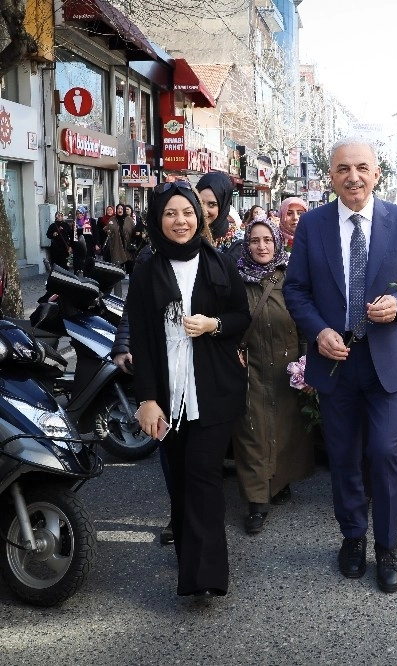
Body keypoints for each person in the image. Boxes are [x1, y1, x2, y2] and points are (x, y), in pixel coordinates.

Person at [284, 138, 397, 594]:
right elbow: (296, 290)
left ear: (377, 173)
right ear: (330, 175)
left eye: (362, 167)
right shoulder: (312, 225)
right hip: (335, 362)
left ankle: (387, 545)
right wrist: (318, 331)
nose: (353, 177)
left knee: (386, 453)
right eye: (343, 169)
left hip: (386, 360)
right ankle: (353, 537)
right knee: (344, 455)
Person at [129, 180, 251, 597]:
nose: (180, 221)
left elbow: (241, 317)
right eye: (170, 213)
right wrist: (146, 400)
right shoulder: (146, 269)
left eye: (187, 213)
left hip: (214, 388)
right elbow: (142, 338)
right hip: (166, 394)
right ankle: (190, 560)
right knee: (180, 480)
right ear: (157, 220)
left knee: (203, 476)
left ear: (199, 218)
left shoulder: (218, 262)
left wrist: (214, 325)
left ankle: (205, 579)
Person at [232, 217, 315, 534]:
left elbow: (306, 319)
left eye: (267, 239)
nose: (261, 246)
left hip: (286, 367)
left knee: (284, 429)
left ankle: (278, 482)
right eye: (255, 240)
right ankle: (256, 501)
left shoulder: (291, 276)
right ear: (247, 244)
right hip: (249, 368)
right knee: (252, 432)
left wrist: (307, 362)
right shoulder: (236, 279)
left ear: (277, 242)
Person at [197, 172, 240, 259]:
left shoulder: (237, 244)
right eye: (200, 203)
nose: (204, 211)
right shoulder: (186, 234)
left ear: (223, 206)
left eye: (212, 205)